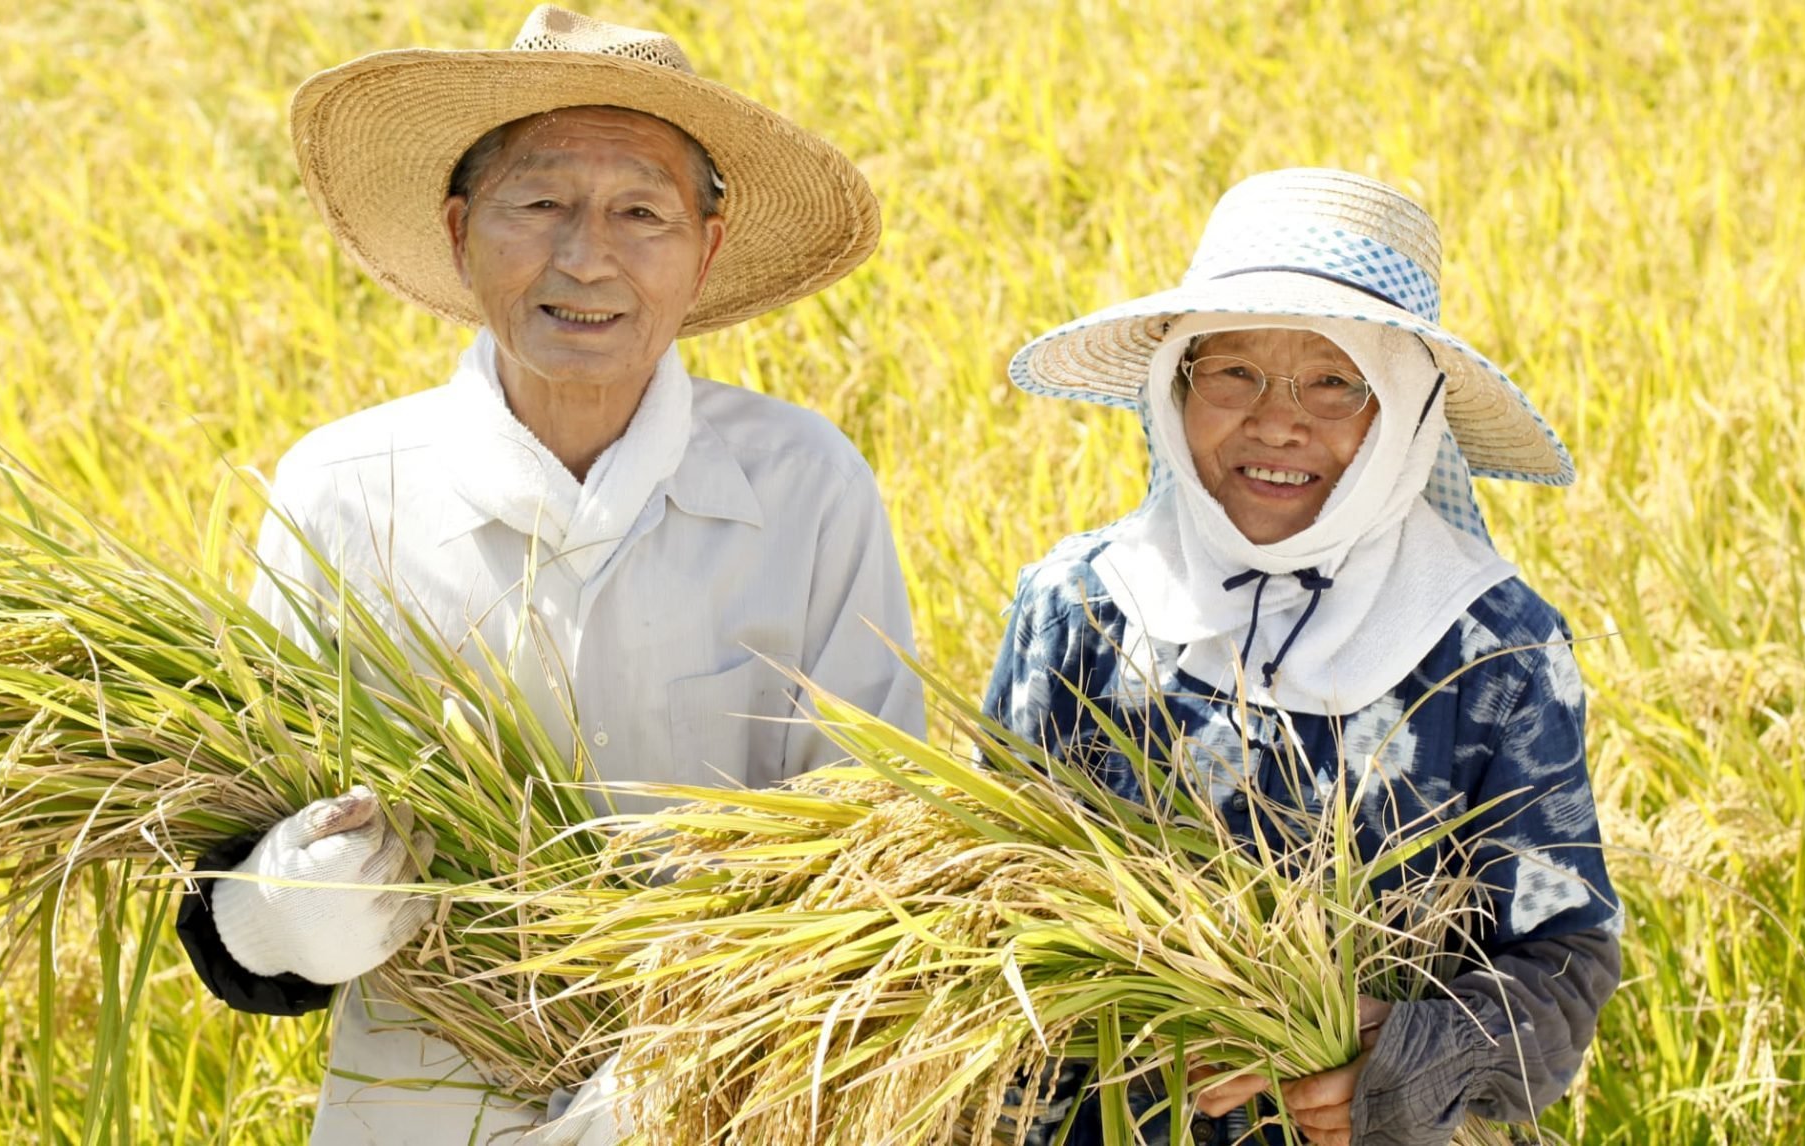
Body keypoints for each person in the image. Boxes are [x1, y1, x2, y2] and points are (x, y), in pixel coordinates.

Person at [169, 8, 923, 1143]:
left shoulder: (804, 483)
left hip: (725, 1106)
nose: (586, 256)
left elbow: (878, 855)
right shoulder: (343, 489)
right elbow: (219, 869)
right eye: (541, 204)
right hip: (418, 1115)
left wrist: (675, 1074)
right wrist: (290, 919)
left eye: (640, 212)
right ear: (463, 229)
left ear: (705, 250)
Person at [982, 169, 1620, 1146]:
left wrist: (1405, 1052)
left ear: (1404, 409)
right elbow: (985, 894)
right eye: (1232, 372)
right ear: (1174, 386)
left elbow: (1563, 955)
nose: (1278, 422)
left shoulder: (1495, 651)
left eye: (1335, 383)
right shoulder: (1082, 609)